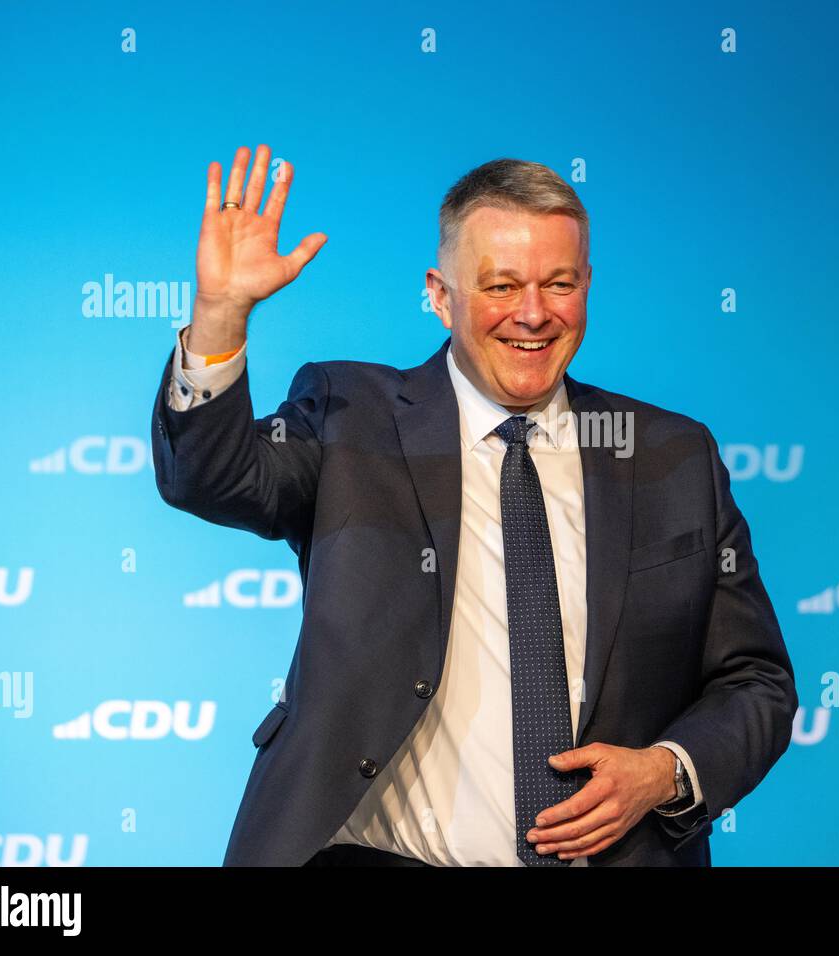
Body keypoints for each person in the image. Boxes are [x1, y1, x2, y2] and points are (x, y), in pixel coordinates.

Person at [150, 144, 798, 866]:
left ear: (588, 285)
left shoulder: (672, 455)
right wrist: (219, 316)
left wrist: (664, 772)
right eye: (500, 286)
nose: (533, 314)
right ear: (440, 293)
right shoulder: (350, 417)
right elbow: (210, 478)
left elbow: (757, 683)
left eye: (558, 283)